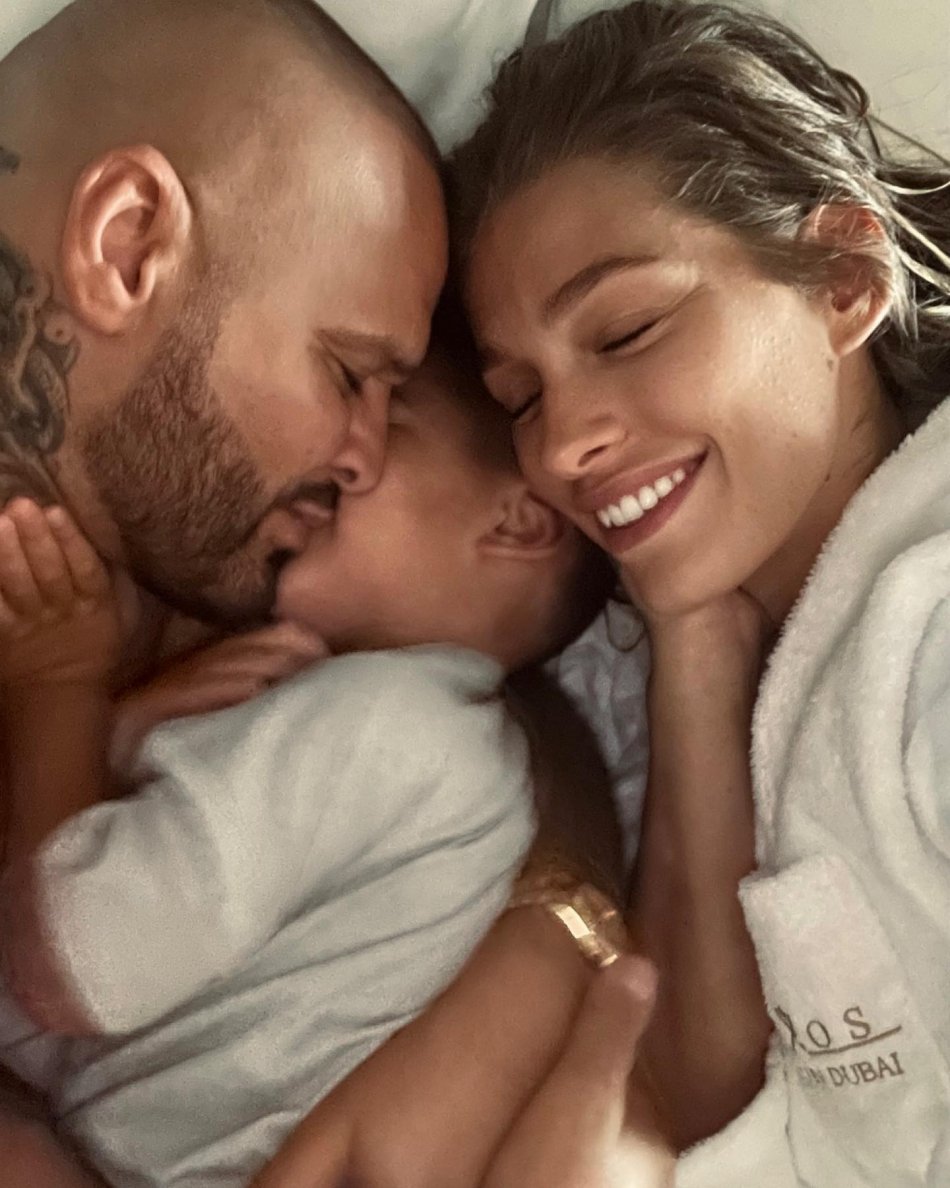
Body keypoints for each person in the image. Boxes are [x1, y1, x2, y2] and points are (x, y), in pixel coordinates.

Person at [427, 0, 950, 1182]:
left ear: (842, 277)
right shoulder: (782, 664)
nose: (561, 445)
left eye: (624, 331)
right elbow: (710, 1080)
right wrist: (690, 638)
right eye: (519, 399)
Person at [0, 335, 616, 1187]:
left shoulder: (391, 724)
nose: (339, 453)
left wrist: (58, 685)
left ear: (517, 522)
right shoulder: (440, 744)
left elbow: (75, 961)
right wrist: (120, 737)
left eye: (392, 421)